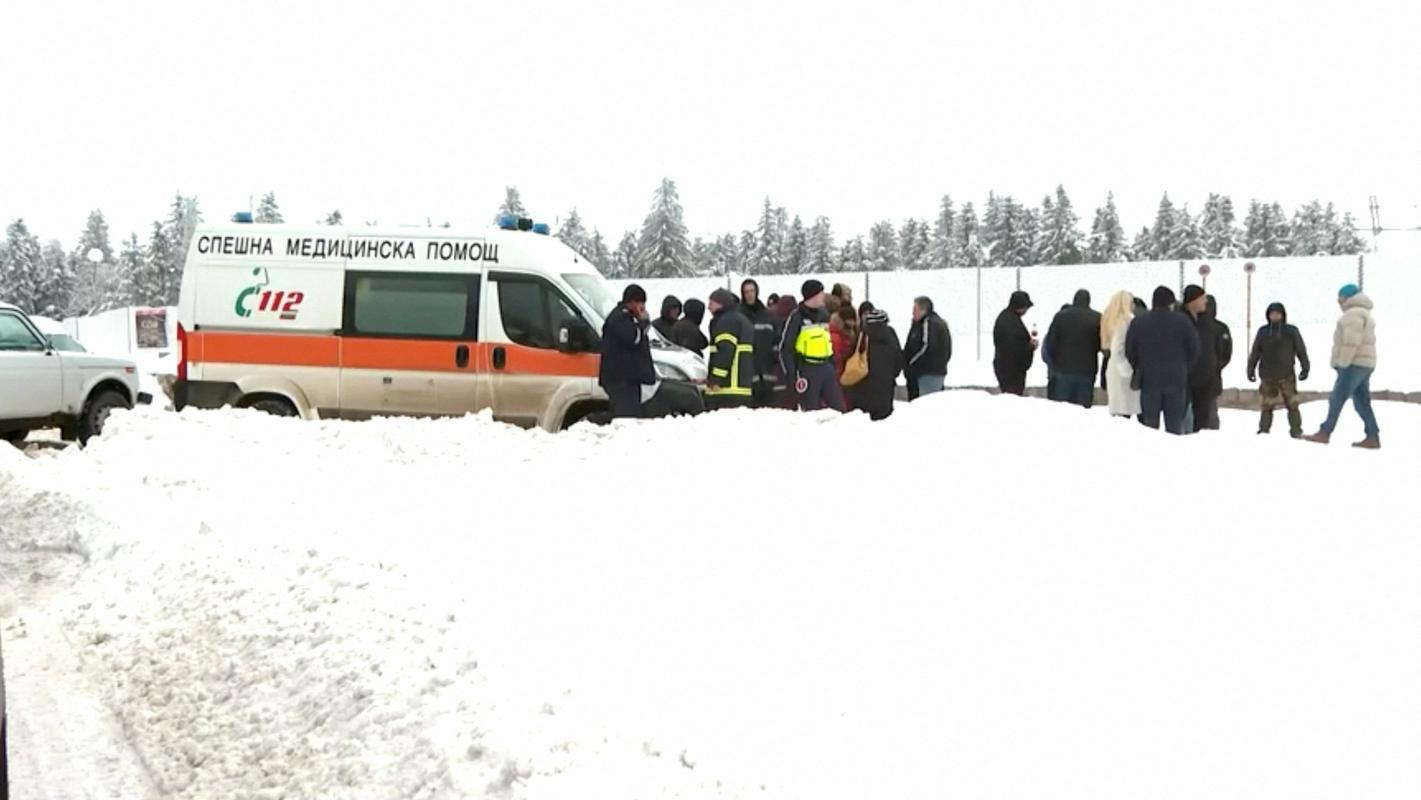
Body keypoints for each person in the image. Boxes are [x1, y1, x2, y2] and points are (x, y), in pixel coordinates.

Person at [1305, 284, 1380, 448]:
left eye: (1340, 297)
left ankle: (1325, 432)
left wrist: (1343, 363)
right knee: (1361, 402)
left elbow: (1351, 341)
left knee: (1337, 398)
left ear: (1347, 298)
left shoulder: (1352, 314)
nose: (1338, 301)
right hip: (1366, 363)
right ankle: (1372, 435)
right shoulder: (1364, 313)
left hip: (1354, 363)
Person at [1125, 286, 1200, 434]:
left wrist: (1139, 367)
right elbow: (1194, 349)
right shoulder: (1182, 321)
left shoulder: (1139, 322)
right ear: (1170, 303)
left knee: (1149, 425)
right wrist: (1184, 367)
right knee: (1174, 425)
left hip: (1149, 380)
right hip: (1176, 379)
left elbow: (1130, 350)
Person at [777, 280, 845, 412]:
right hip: (807, 369)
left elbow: (828, 340)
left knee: (838, 410)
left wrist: (832, 365)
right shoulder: (797, 317)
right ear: (813, 295)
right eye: (821, 293)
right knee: (810, 411)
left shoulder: (824, 314)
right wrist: (792, 375)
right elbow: (786, 349)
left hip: (826, 368)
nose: (824, 296)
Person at [1246, 302, 1310, 437]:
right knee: (1267, 406)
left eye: (1277, 313)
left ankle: (1296, 430)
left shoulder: (1291, 331)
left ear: (1283, 315)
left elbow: (1301, 350)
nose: (1274, 316)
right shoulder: (1263, 332)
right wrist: (1250, 369)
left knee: (1292, 405)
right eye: (1272, 314)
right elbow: (1256, 351)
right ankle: (1264, 430)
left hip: (1287, 375)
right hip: (1267, 375)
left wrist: (1305, 367)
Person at [599, 284, 656, 419]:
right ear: (631, 302)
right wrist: (643, 323)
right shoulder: (620, 318)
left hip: (628, 378)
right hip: (620, 378)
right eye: (640, 303)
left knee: (631, 414)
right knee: (626, 417)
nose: (643, 307)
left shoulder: (627, 317)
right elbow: (633, 338)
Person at [1043, 289, 1103, 408]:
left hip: (1063, 370)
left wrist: (1054, 364)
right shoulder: (1097, 318)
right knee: (1083, 408)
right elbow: (1100, 344)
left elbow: (1050, 344)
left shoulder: (1060, 317)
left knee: (1063, 408)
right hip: (1087, 370)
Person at [1179, 285, 1226, 432]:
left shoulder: (1211, 325)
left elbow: (1222, 352)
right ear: (1192, 301)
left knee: (1204, 423)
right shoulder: (1181, 321)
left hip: (1206, 381)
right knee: (1183, 423)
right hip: (1184, 380)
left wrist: (1214, 368)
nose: (1205, 301)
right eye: (1202, 298)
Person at [849, 304, 905, 421]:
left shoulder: (862, 336)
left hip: (862, 389)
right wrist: (890, 375)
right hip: (885, 390)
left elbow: (852, 357)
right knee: (883, 423)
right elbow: (899, 360)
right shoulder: (890, 335)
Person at [705, 289, 755, 409]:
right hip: (741, 387)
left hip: (727, 389)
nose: (708, 307)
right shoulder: (740, 319)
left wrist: (716, 379)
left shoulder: (726, 321)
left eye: (711, 303)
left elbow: (725, 351)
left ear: (720, 303)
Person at [1100, 291, 1141, 418]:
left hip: (1114, 369)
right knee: (1124, 410)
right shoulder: (1124, 322)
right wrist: (1128, 370)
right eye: (1131, 302)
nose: (1134, 305)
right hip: (1122, 372)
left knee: (1118, 410)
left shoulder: (1110, 320)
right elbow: (1118, 348)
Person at [739, 279, 779, 407]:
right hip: (747, 371)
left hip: (767, 370)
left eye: (752, 291)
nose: (750, 295)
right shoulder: (739, 316)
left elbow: (776, 340)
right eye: (746, 292)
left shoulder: (768, 316)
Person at [904, 296, 952, 400]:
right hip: (929, 373)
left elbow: (926, 346)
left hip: (927, 374)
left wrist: (910, 363)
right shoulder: (923, 323)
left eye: (915, 309)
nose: (913, 313)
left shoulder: (929, 323)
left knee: (926, 403)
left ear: (923, 310)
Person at [993, 291, 1035, 396]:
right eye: (1025, 307)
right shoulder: (1011, 322)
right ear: (1020, 306)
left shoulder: (1006, 318)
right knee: (1013, 398)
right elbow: (1014, 348)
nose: (1026, 311)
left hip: (1005, 368)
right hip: (1011, 371)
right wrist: (1030, 346)